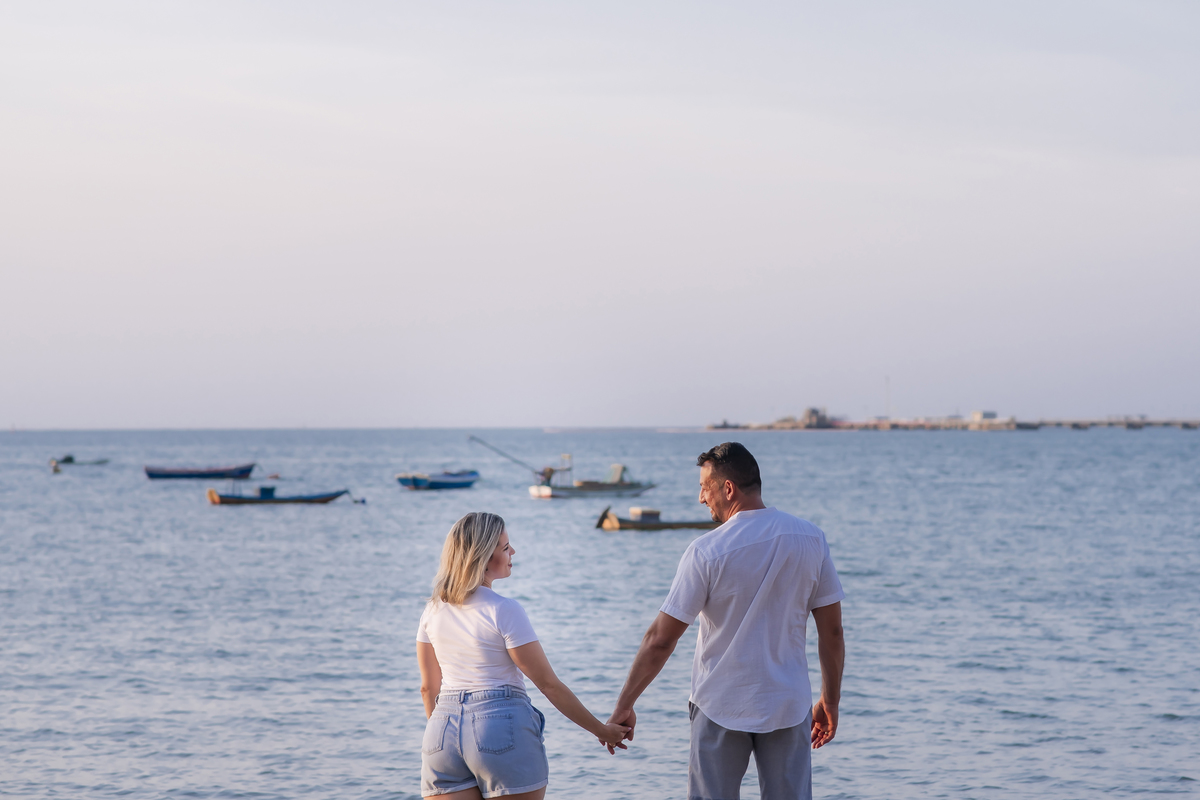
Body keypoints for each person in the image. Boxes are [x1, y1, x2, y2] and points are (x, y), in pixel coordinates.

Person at [606, 442, 846, 800]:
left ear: (728, 488)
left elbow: (660, 640)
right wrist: (830, 700)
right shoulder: (811, 539)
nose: (701, 498)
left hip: (720, 704)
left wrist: (624, 704)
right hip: (788, 704)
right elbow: (833, 632)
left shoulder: (707, 551)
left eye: (705, 488)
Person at [416, 512, 629, 799]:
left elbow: (428, 688)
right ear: (484, 557)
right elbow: (548, 684)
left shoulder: (432, 610)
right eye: (505, 548)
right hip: (498, 728)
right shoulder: (503, 609)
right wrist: (601, 730)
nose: (513, 552)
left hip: (441, 733)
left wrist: (447, 734)